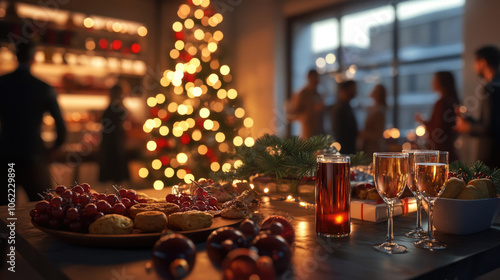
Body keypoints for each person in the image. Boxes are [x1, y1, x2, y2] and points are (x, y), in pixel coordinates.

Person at [0, 41, 66, 205]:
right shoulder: (43, 87)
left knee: (5, 210)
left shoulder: (2, 83)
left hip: (5, 155)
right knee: (43, 208)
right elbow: (61, 127)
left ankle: (9, 232)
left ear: (15, 57)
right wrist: (55, 147)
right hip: (34, 156)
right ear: (34, 58)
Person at [455, 45, 500, 168]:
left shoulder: (491, 88)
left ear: (483, 62)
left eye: (475, 62)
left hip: (491, 157)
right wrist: (468, 119)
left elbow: (489, 128)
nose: (474, 67)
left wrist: (468, 127)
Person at [415, 71, 460, 161]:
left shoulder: (442, 103)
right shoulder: (452, 101)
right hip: (449, 151)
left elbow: (437, 130)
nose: (431, 83)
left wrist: (423, 121)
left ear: (441, 82)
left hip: (440, 153)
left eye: (434, 79)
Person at [98, 83, 130, 184]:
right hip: (116, 145)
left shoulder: (109, 108)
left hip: (108, 145)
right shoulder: (119, 109)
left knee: (109, 180)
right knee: (118, 178)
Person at [287, 70, 325, 139]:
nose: (317, 80)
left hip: (320, 133)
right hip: (308, 134)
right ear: (309, 78)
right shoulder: (302, 94)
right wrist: (307, 115)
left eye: (317, 77)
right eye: (315, 77)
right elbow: (291, 115)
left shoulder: (318, 94)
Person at [331, 80, 358, 154]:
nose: (355, 92)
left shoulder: (347, 106)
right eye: (353, 89)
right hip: (344, 152)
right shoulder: (340, 108)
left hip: (348, 151)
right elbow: (339, 133)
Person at [359, 84, 387, 156]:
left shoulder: (379, 111)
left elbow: (378, 134)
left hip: (373, 148)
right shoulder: (372, 108)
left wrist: (362, 134)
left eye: (375, 90)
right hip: (368, 146)